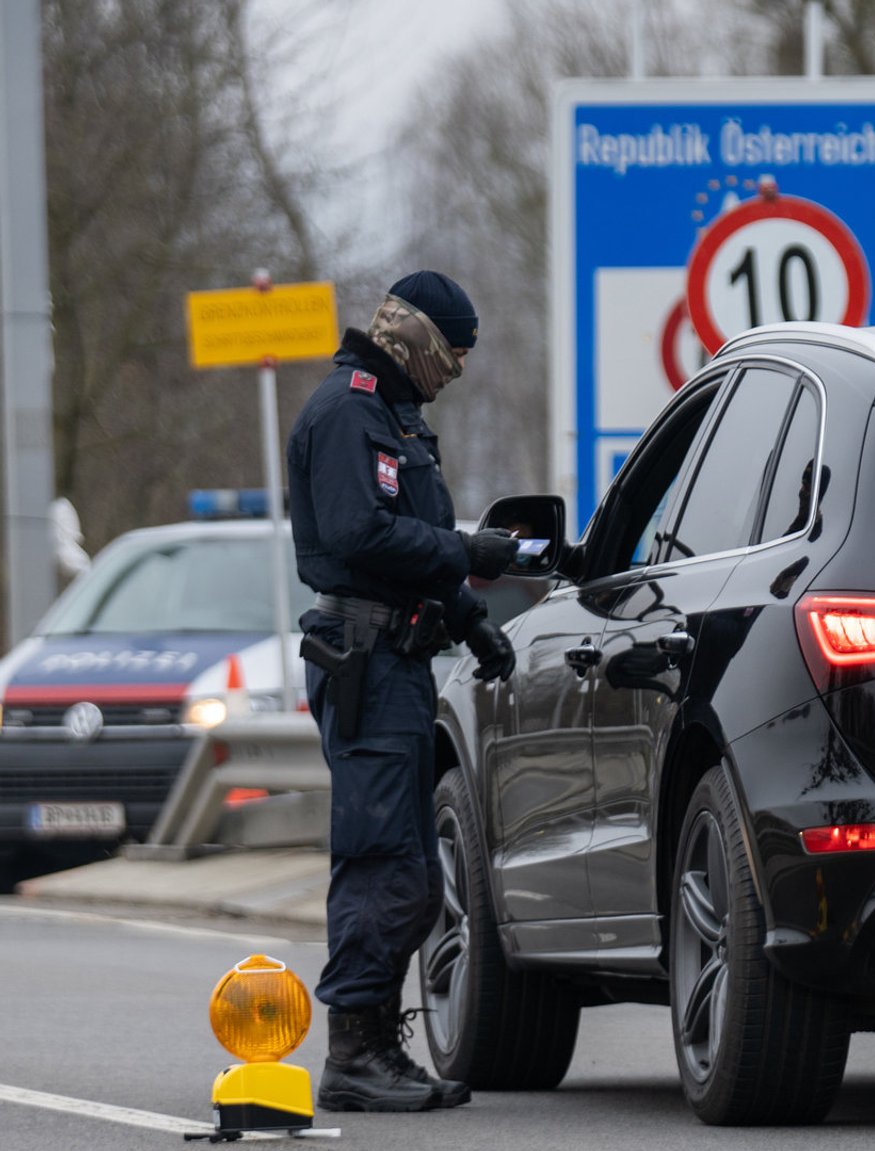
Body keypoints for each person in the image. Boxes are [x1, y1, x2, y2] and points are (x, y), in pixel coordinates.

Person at [286, 271, 520, 1113]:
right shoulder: (349, 411)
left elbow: (405, 548)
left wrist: (469, 617)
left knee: (415, 871)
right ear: (416, 338)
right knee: (383, 861)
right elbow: (361, 533)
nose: (455, 366)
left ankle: (376, 1043)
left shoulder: (396, 418)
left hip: (398, 658)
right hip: (366, 659)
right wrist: (468, 552)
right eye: (451, 350)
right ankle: (354, 1051)